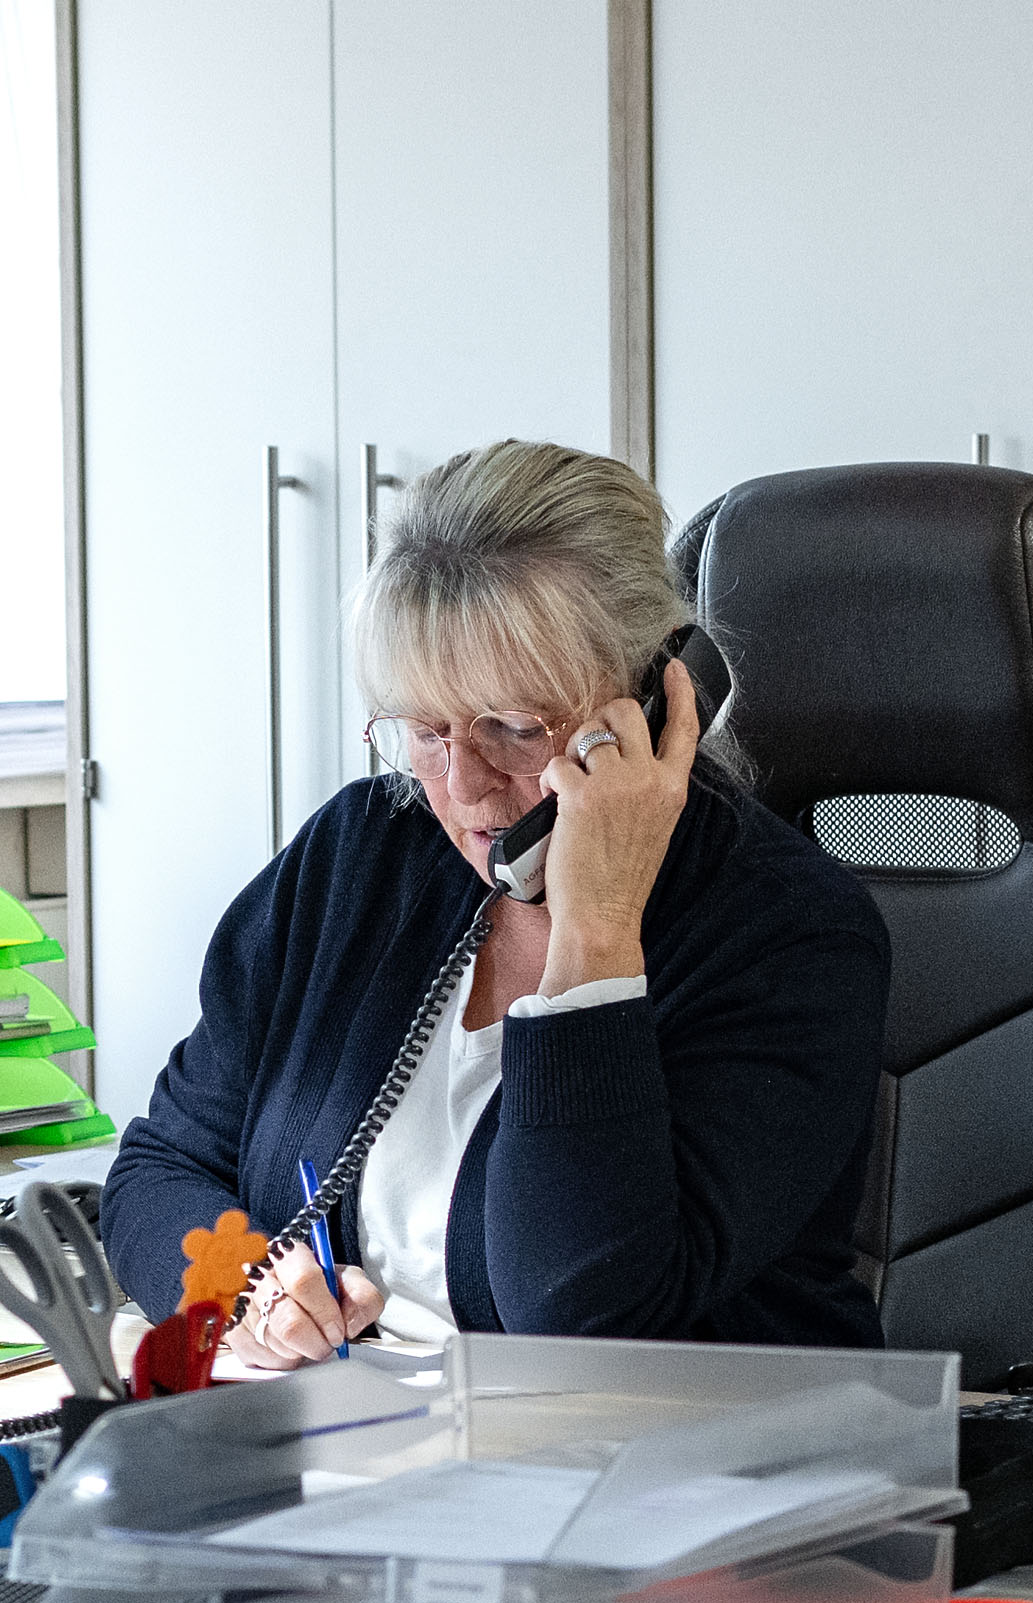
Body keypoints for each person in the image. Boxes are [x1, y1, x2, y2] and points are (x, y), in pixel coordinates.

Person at [101, 440, 890, 1365]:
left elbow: (578, 1308)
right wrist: (243, 1288)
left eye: (514, 729)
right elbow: (162, 1166)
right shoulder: (359, 855)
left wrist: (595, 942)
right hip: (352, 1431)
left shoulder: (792, 934)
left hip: (663, 1443)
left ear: (653, 698)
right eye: (426, 731)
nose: (464, 787)